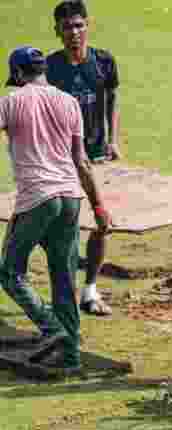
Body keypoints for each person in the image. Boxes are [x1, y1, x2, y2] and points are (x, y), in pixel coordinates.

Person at [1, 46, 112, 373]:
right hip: (71, 197)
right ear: (43, 71)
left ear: (19, 74)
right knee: (63, 278)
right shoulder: (69, 102)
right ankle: (70, 356)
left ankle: (52, 329)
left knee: (10, 272)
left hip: (37, 197)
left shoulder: (12, 100)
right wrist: (99, 205)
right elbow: (81, 161)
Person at [46, 0, 121, 316]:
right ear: (57, 31)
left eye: (79, 25)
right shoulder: (50, 67)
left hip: (97, 155)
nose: (74, 32)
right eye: (67, 27)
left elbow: (113, 99)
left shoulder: (103, 61)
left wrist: (114, 140)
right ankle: (64, 295)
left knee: (102, 221)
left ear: (87, 25)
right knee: (65, 226)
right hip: (61, 160)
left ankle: (90, 290)